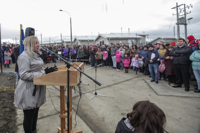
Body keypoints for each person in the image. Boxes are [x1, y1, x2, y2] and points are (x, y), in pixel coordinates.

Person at [14, 36, 46, 133]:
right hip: (28, 90)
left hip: (36, 89)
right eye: (35, 43)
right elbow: (23, 75)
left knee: (35, 114)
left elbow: (39, 69)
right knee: (29, 116)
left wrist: (45, 71)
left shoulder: (35, 55)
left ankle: (33, 131)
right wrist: (42, 74)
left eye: (38, 42)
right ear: (29, 45)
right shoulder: (24, 56)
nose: (38, 45)